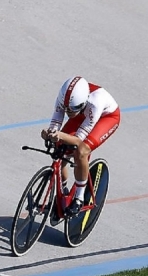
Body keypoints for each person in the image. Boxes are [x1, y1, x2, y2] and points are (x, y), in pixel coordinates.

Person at [41, 76, 119, 215]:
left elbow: (78, 140)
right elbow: (55, 123)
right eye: (66, 109)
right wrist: (50, 133)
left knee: (81, 151)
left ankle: (79, 198)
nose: (68, 112)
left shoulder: (96, 102)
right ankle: (63, 194)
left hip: (105, 118)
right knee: (60, 147)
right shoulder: (64, 99)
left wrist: (60, 135)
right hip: (82, 113)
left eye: (72, 109)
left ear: (82, 103)